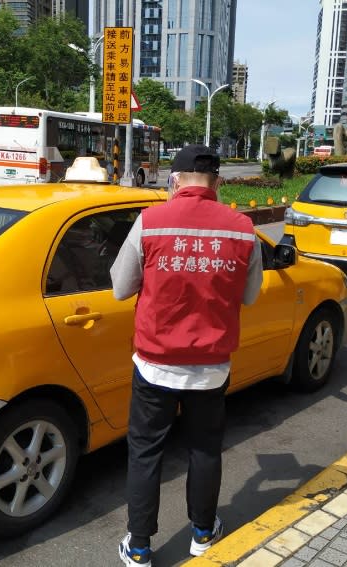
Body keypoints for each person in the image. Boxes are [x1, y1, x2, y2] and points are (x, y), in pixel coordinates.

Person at [110, 145, 263, 566]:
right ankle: (202, 533)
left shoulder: (150, 221)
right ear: (218, 182)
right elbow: (250, 296)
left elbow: (120, 288)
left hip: (155, 364)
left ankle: (139, 546)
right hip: (211, 368)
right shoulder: (242, 228)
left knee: (145, 452)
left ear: (174, 180)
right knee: (204, 449)